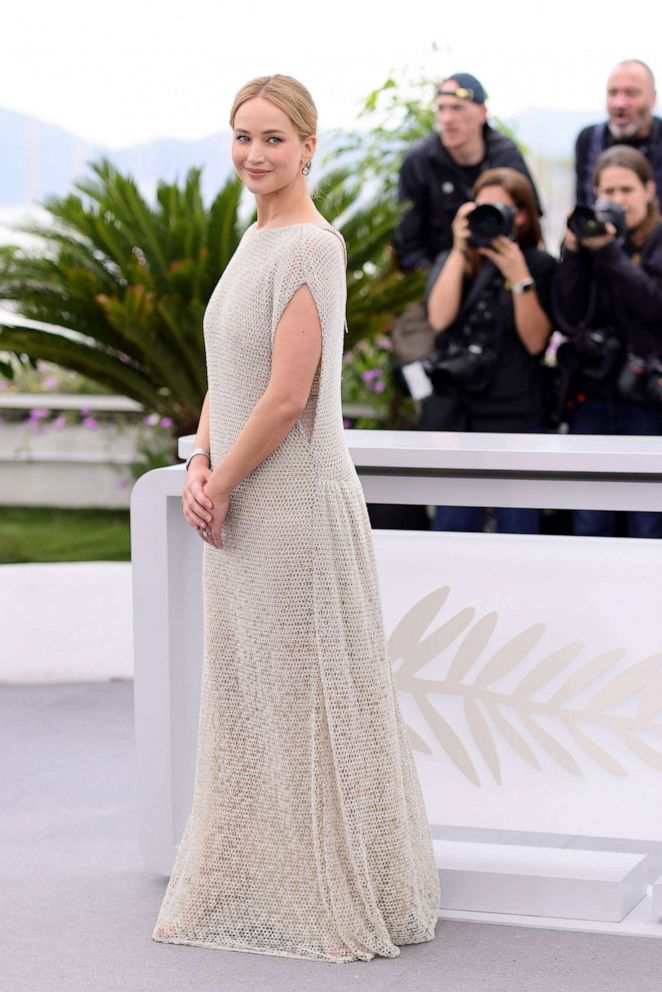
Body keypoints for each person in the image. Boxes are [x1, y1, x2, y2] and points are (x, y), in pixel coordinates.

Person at [151, 75, 440, 962]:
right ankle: (258, 882)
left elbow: (285, 398)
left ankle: (334, 893)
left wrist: (224, 479)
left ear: (309, 145)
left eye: (273, 138)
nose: (254, 154)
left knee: (306, 696)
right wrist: (199, 461)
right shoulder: (253, 239)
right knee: (249, 691)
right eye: (242, 137)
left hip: (292, 506)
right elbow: (226, 378)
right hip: (238, 493)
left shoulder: (313, 246)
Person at [424, 167, 556, 533]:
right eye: (482, 208)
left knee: (518, 526)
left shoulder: (539, 265)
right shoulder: (457, 261)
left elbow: (535, 342)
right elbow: (439, 318)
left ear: (523, 215)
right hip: (459, 413)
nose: (489, 217)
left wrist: (520, 277)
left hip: (514, 412)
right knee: (453, 524)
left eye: (501, 209)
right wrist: (458, 250)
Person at [555, 144, 662, 538]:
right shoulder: (585, 241)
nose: (617, 201)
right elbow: (567, 316)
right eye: (608, 192)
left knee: (647, 524)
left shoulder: (658, 239)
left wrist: (609, 253)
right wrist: (573, 251)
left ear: (649, 190)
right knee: (590, 519)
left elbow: (653, 307)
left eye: (627, 190)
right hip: (593, 397)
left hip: (648, 402)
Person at [393, 72, 542, 273]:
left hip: (498, 271)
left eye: (457, 108)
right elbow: (407, 242)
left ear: (482, 113)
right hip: (436, 274)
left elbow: (530, 222)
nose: (447, 119)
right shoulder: (419, 161)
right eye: (441, 108)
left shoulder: (505, 158)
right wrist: (440, 280)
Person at [575, 60, 662, 206]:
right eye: (613, 93)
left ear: (652, 99)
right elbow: (583, 203)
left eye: (631, 94)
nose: (619, 104)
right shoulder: (589, 140)